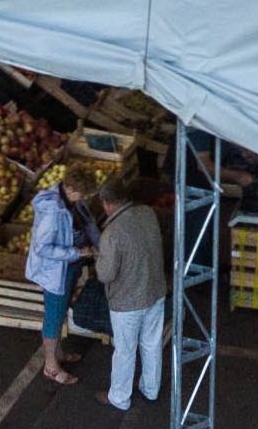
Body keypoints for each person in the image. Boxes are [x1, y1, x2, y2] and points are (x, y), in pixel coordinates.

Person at [96, 185, 169, 413]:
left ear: (107, 203)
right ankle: (151, 388)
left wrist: (98, 257)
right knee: (152, 343)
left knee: (125, 350)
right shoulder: (147, 213)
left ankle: (119, 397)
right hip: (155, 291)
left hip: (127, 302)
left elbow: (105, 274)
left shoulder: (112, 233)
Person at [26, 168, 97, 386]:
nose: (83, 199)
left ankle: (58, 353)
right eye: (81, 195)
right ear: (70, 189)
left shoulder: (72, 203)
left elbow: (86, 223)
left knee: (61, 310)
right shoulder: (53, 212)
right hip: (56, 272)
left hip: (69, 268)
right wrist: (77, 253)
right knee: (54, 315)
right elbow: (42, 248)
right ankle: (50, 365)